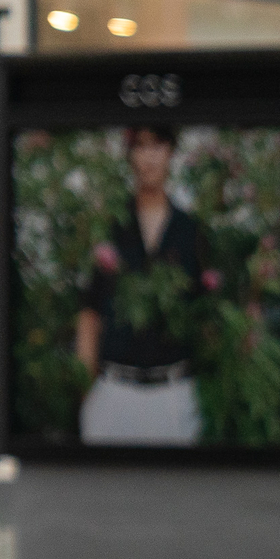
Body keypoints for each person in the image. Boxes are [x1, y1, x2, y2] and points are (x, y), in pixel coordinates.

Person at [76, 125, 205, 445]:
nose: (149, 157)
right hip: (114, 391)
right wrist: (86, 394)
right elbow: (90, 316)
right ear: (130, 155)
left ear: (171, 152)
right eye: (141, 147)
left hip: (174, 394)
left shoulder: (191, 231)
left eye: (158, 146)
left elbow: (204, 318)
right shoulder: (110, 227)